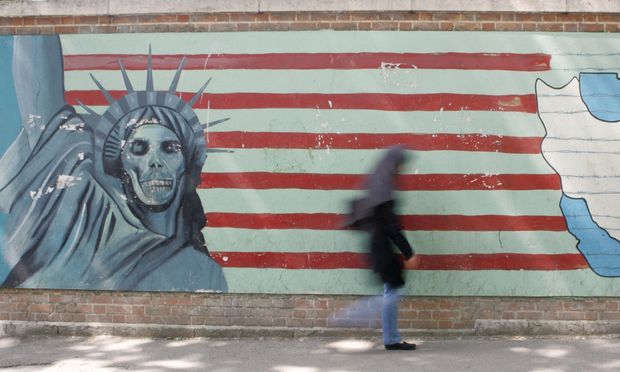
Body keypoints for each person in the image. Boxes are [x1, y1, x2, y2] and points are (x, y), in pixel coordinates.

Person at [0, 35, 227, 292]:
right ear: (122, 165)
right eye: (139, 148)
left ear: (187, 163)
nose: (155, 162)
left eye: (169, 148)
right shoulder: (84, 212)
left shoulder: (201, 270)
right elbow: (40, 109)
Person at [348, 145, 416, 350]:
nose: (401, 169)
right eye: (400, 165)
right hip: (382, 246)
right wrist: (409, 253)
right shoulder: (383, 191)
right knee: (392, 291)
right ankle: (351, 316)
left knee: (391, 290)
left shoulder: (378, 184)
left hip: (377, 244)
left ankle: (391, 338)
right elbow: (392, 227)